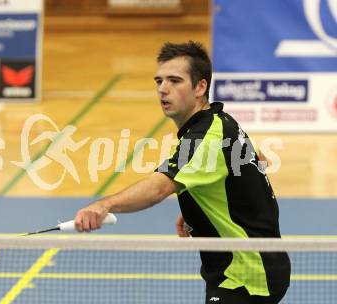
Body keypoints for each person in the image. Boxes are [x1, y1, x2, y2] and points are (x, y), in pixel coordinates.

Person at [74, 41, 290, 304]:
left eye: (175, 81)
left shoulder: (205, 138)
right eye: (159, 80)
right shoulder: (221, 121)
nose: (163, 89)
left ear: (200, 87)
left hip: (246, 275)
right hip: (253, 266)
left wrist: (103, 205)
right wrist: (201, 205)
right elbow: (259, 161)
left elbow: (158, 189)